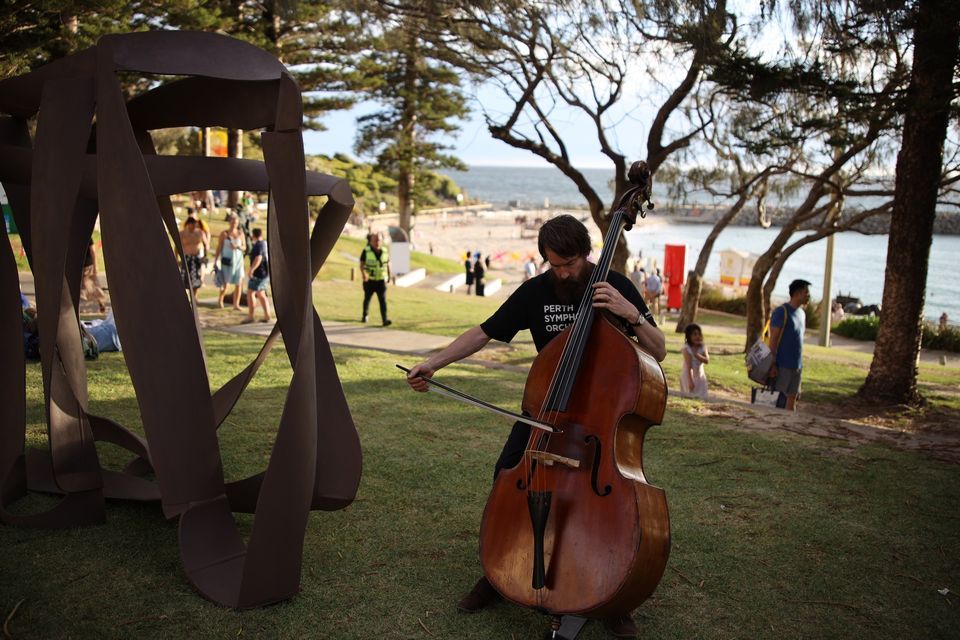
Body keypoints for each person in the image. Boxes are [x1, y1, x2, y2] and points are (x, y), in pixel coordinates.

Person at [404, 214, 666, 639]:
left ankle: (617, 594)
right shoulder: (537, 291)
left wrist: (631, 314)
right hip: (546, 413)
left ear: (586, 253)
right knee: (506, 476)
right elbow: (485, 332)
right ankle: (497, 572)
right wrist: (433, 363)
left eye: (570, 263)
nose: (562, 273)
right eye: (554, 264)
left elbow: (660, 349)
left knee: (611, 506)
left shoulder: (615, 287)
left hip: (602, 418)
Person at [768, 279, 811, 412]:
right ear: (797, 293)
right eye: (806, 292)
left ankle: (788, 425)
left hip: (797, 366)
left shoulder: (802, 314)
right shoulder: (781, 312)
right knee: (779, 400)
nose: (809, 296)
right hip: (782, 365)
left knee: (793, 398)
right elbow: (773, 340)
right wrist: (773, 364)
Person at [214, 213, 246, 309]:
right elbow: (219, 247)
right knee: (226, 283)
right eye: (232, 222)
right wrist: (216, 260)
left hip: (238, 261)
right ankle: (220, 299)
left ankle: (236, 304)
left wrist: (238, 246)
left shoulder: (240, 234)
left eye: (235, 222)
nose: (234, 224)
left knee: (239, 283)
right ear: (229, 222)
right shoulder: (224, 234)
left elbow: (245, 247)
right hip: (227, 261)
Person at [360, 232, 392, 326]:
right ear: (371, 241)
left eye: (379, 240)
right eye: (375, 240)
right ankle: (365, 316)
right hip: (369, 280)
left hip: (381, 281)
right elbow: (361, 264)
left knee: (383, 301)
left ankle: (384, 320)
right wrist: (363, 274)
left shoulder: (385, 251)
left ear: (381, 241)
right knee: (367, 299)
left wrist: (389, 276)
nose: (377, 242)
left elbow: (388, 264)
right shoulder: (366, 251)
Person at [243, 228, 271, 324]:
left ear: (253, 235)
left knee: (250, 293)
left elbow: (258, 258)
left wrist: (251, 269)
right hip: (265, 273)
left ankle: (251, 316)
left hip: (259, 273)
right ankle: (267, 315)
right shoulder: (265, 243)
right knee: (261, 293)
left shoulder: (258, 245)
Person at [680, 323, 709, 399]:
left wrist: (697, 355)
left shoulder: (703, 347)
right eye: (694, 334)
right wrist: (690, 381)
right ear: (689, 336)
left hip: (700, 376)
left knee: (702, 398)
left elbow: (706, 360)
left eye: (699, 334)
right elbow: (689, 366)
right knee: (689, 396)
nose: (697, 336)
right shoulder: (686, 349)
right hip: (689, 376)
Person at [179, 215, 206, 294]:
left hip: (196, 258)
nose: (194, 226)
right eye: (193, 224)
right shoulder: (182, 233)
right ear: (188, 224)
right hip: (186, 258)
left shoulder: (200, 233)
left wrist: (204, 256)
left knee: (196, 279)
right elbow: (177, 247)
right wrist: (177, 258)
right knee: (184, 279)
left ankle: (194, 298)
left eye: (195, 225)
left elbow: (206, 244)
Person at [80, 238, 107, 312]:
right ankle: (100, 301)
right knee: (92, 285)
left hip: (87, 266)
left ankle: (100, 298)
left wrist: (95, 266)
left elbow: (93, 250)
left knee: (88, 287)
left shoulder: (87, 238)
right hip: (84, 266)